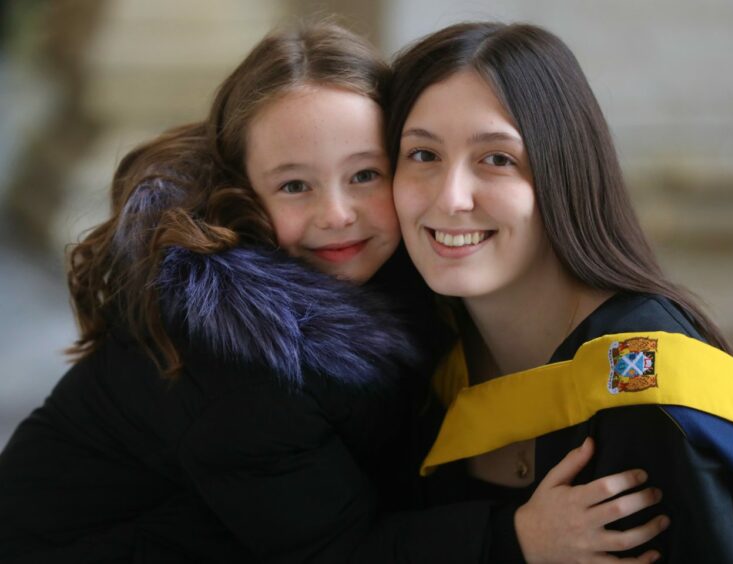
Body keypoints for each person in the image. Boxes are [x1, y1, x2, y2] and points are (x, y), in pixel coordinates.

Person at [0, 21, 667, 563]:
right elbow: (337, 551)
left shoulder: (399, 276)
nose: (337, 214)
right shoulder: (237, 349)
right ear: (243, 195)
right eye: (295, 185)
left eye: (366, 175)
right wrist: (516, 539)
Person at [388, 21, 733, 564]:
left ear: (563, 173)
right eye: (422, 155)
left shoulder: (645, 390)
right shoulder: (418, 356)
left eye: (497, 159)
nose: (452, 197)